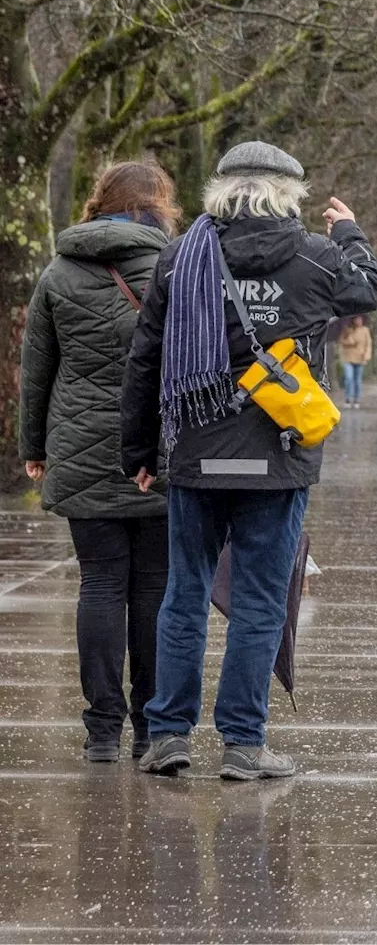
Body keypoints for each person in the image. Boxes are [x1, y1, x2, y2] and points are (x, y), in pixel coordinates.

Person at [120, 141, 377, 779]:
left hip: (194, 454)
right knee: (263, 601)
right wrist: (348, 230)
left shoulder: (182, 258)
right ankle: (242, 744)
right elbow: (368, 288)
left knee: (183, 595)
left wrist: (138, 450)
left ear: (222, 191)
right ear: (288, 193)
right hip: (278, 458)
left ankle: (168, 736)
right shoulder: (315, 258)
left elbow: (145, 357)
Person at [18, 160, 181, 763]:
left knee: (101, 583)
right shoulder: (174, 265)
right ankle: (151, 727)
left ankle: (101, 732)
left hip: (80, 449)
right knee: (156, 588)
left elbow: (36, 369)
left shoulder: (59, 271)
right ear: (159, 205)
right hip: (162, 449)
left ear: (99, 201)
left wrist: (33, 447)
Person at [337, 315, 372, 408]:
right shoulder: (347, 330)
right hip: (348, 357)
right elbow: (341, 341)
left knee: (357, 380)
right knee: (349, 378)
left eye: (360, 319)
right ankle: (348, 398)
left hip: (360, 358)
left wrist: (367, 354)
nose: (358, 321)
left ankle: (356, 399)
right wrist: (349, 341)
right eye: (357, 319)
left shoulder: (365, 330)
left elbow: (368, 344)